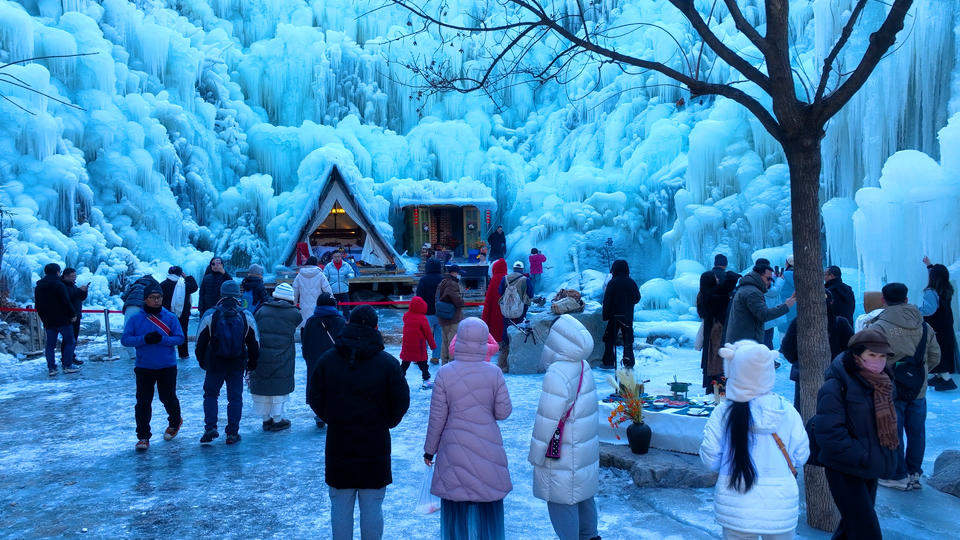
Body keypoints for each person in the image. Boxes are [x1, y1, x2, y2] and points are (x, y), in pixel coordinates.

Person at [309, 306, 410, 540]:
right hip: (375, 444)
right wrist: (385, 422)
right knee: (372, 505)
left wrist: (333, 418)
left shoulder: (328, 360)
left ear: (348, 324)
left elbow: (315, 396)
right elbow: (401, 401)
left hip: (339, 444)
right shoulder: (387, 363)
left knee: (340, 505)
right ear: (376, 327)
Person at [699, 341, 808, 540]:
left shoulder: (723, 413)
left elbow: (710, 460)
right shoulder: (787, 411)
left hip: (736, 508)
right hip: (780, 507)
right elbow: (801, 456)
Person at [424, 317, 512, 540]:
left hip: (453, 449)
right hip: (487, 448)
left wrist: (429, 451)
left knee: (456, 505)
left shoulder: (445, 373)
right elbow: (503, 412)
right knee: (487, 505)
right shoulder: (494, 373)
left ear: (459, 339)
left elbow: (437, 418)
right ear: (484, 341)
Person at [810, 329, 900, 538]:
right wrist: (862, 455)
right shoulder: (836, 385)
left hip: (869, 467)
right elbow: (829, 433)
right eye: (872, 355)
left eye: (882, 356)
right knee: (867, 532)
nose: (878, 361)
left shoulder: (884, 384)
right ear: (857, 355)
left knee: (850, 529)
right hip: (845, 469)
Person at [528, 315, 600, 540]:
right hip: (583, 448)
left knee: (561, 501)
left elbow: (547, 420)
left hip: (562, 452)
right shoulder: (583, 365)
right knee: (582, 495)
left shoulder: (557, 372)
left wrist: (536, 455)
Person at [865, 282, 940, 491]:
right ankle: (914, 473)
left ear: (883, 300)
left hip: (889, 387)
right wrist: (920, 375)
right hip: (918, 388)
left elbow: (868, 359)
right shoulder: (924, 325)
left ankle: (897, 475)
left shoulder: (878, 326)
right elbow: (935, 356)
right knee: (917, 431)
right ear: (907, 299)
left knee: (892, 430)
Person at [121, 282, 185, 451]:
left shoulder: (170, 317)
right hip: (144, 366)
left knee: (168, 397)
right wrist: (144, 339)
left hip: (167, 366)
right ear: (145, 299)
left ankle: (175, 421)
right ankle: (143, 436)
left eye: (159, 297)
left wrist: (163, 340)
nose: (157, 301)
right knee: (143, 402)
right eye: (153, 298)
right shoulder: (136, 319)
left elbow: (179, 338)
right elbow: (125, 339)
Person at [195, 280, 260, 445]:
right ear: (238, 294)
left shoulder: (211, 314)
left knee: (210, 395)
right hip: (237, 363)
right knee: (235, 398)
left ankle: (210, 427)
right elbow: (255, 342)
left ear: (221, 294)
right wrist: (252, 363)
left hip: (215, 362)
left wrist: (203, 361)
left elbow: (200, 342)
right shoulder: (246, 314)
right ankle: (232, 432)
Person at [780, 294, 854, 409]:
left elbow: (787, 349)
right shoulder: (841, 323)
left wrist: (799, 361)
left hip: (805, 375)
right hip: (835, 376)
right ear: (831, 302)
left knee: (805, 411)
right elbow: (851, 350)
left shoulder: (799, 322)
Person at [250, 283, 302, 432]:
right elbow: (299, 321)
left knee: (263, 386)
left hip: (262, 355)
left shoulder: (262, 310)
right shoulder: (294, 313)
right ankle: (278, 419)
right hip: (283, 355)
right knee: (279, 388)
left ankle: (266, 419)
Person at [302, 292, 345, 429]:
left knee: (317, 386)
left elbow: (305, 343)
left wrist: (308, 358)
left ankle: (319, 414)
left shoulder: (310, 321)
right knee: (335, 386)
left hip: (315, 360)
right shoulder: (340, 321)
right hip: (335, 360)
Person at [725, 262, 795, 344]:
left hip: (743, 340)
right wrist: (786, 306)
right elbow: (764, 315)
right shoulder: (752, 292)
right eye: (768, 279)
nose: (770, 282)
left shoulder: (750, 288)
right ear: (759, 276)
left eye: (771, 279)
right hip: (745, 343)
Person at [919, 257, 957, 391]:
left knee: (936, 351)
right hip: (946, 325)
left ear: (933, 278)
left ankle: (947, 379)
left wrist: (915, 309)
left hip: (936, 327)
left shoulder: (930, 291)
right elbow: (937, 273)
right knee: (943, 350)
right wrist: (929, 266)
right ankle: (939, 376)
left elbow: (929, 310)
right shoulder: (946, 288)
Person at [34, 263, 79, 377]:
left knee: (50, 345)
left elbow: (38, 305)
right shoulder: (59, 285)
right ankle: (67, 365)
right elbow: (65, 301)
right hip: (63, 319)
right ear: (58, 272)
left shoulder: (39, 286)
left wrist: (43, 318)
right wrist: (72, 314)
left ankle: (52, 368)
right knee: (70, 341)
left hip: (48, 320)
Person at [600, 260, 641, 369]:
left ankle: (608, 361)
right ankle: (629, 362)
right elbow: (637, 298)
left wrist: (606, 315)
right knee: (628, 339)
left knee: (609, 339)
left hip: (614, 316)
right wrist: (629, 302)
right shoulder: (630, 282)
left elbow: (607, 300)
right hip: (627, 316)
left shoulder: (612, 283)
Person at [498, 260, 534, 367]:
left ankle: (504, 353)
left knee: (506, 327)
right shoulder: (525, 279)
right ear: (522, 270)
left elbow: (500, 292)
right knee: (519, 327)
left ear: (513, 269)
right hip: (521, 309)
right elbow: (531, 293)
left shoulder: (504, 278)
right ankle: (517, 349)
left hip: (506, 308)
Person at [697, 272, 727, 393]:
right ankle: (717, 389)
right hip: (716, 332)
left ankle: (711, 387)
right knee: (716, 360)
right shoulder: (716, 296)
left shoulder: (702, 294)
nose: (717, 279)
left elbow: (701, 313)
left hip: (708, 330)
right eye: (715, 277)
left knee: (709, 359)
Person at [160, 266, 198, 360]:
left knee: (166, 332)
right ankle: (184, 354)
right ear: (180, 274)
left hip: (167, 313)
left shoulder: (163, 284)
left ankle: (167, 353)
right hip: (182, 313)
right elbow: (195, 287)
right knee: (182, 333)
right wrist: (187, 277)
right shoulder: (184, 285)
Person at [122, 274, 162, 362]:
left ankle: (131, 354)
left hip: (130, 306)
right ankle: (144, 351)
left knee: (128, 330)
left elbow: (124, 296)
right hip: (142, 307)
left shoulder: (136, 284)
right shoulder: (153, 284)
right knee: (143, 329)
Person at [400, 296, 437, 389]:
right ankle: (426, 380)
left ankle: (398, 379)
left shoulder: (406, 316)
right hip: (419, 346)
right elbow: (428, 333)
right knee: (423, 364)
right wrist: (432, 345)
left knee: (405, 363)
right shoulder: (422, 318)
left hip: (407, 345)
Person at [416, 258, 445, 365]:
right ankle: (436, 357)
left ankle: (421, 356)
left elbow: (419, 296)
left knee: (423, 335)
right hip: (440, 312)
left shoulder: (424, 280)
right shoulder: (443, 279)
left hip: (426, 313)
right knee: (439, 335)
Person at [481, 259, 508, 369]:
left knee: (497, 336)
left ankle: (500, 360)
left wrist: (484, 319)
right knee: (506, 336)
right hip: (508, 314)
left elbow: (488, 302)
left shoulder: (494, 280)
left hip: (495, 315)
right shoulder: (509, 279)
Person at [435, 265, 465, 365]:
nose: (459, 275)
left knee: (445, 341)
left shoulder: (443, 281)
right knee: (452, 342)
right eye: (458, 272)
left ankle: (444, 363)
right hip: (452, 317)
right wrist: (461, 301)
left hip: (443, 316)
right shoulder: (452, 283)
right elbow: (456, 299)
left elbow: (438, 297)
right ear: (454, 273)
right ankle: (451, 363)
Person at [294, 256, 333, 327]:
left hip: (303, 305)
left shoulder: (299, 275)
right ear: (316, 263)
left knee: (304, 324)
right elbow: (327, 289)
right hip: (317, 305)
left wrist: (294, 303)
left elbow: (295, 291)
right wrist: (332, 300)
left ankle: (304, 337)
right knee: (315, 325)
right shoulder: (320, 274)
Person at [61, 268, 88, 365]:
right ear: (65, 276)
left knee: (73, 338)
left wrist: (84, 291)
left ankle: (70, 356)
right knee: (69, 339)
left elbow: (79, 298)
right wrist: (79, 291)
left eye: (75, 276)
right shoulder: (62, 286)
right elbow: (67, 298)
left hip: (76, 315)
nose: (74, 278)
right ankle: (66, 359)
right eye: (72, 276)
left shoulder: (72, 286)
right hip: (69, 316)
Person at [323, 251, 355, 317]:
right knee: (334, 309)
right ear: (332, 257)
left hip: (344, 290)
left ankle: (347, 322)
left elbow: (352, 273)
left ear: (341, 257)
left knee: (346, 309)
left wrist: (349, 275)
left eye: (338, 256)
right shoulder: (328, 266)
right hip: (333, 291)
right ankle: (335, 322)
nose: (337, 258)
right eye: (335, 257)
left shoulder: (346, 265)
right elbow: (324, 277)